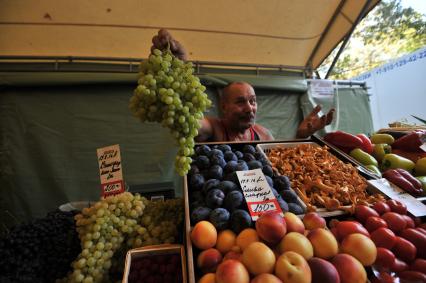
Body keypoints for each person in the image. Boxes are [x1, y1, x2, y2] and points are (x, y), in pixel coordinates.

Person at [151, 29, 335, 141]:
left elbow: (280, 164)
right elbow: (188, 122)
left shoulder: (263, 135)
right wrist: (179, 70)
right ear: (224, 107)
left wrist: (300, 136)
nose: (249, 108)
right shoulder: (214, 128)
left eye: (252, 101)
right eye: (240, 102)